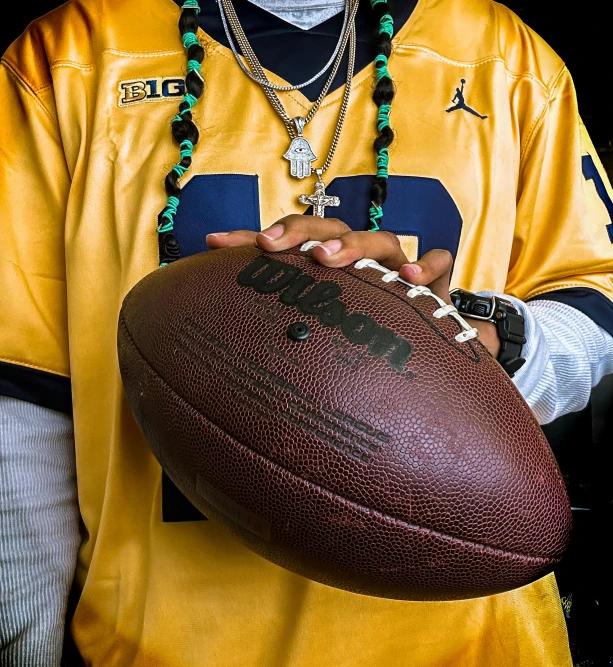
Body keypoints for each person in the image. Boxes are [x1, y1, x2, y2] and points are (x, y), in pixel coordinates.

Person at [1, 0, 613, 665]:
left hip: (471, 645)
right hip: (162, 641)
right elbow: (20, 393)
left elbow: (598, 302)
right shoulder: (73, 52)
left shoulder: (501, 53)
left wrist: (478, 336)